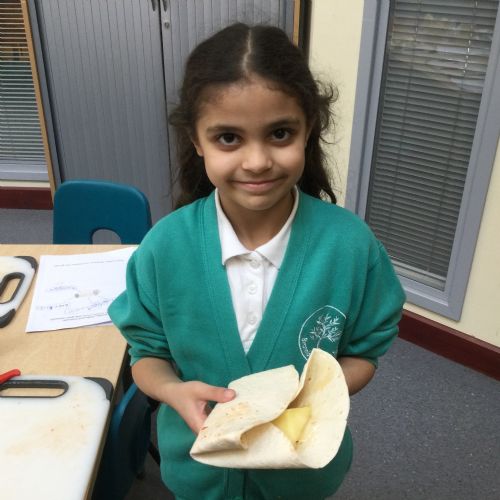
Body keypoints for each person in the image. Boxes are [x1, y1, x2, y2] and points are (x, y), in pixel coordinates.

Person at [109, 22, 405, 500]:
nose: (257, 161)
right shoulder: (164, 248)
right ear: (197, 140)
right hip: (201, 472)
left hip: (300, 476)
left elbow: (363, 353)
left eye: (280, 133)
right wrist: (172, 391)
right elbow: (147, 354)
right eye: (228, 138)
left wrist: (306, 397)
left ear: (308, 130)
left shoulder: (350, 247)